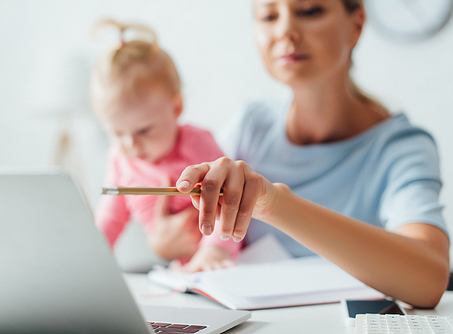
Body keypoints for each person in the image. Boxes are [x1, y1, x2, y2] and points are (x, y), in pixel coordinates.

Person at [171, 0, 450, 308]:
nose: (285, 31)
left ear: (356, 24)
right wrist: (166, 238)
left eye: (310, 11)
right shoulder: (251, 125)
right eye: (268, 16)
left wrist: (275, 203)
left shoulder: (401, 147)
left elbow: (430, 280)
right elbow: (196, 231)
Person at [91, 19, 240, 265]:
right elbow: (111, 218)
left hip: (221, 260)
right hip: (175, 267)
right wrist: (91, 260)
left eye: (144, 130)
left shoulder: (197, 143)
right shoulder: (119, 158)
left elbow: (230, 202)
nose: (131, 144)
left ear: (176, 107)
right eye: (116, 132)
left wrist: (214, 251)